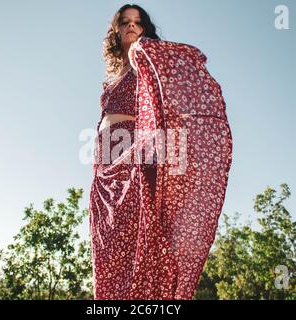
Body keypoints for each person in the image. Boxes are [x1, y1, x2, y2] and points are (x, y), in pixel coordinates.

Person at [88, 4, 233, 300]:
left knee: (139, 237)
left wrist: (145, 54)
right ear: (115, 30)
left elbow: (168, 95)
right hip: (104, 173)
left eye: (137, 22)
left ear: (145, 29)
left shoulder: (147, 63)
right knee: (108, 245)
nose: (131, 26)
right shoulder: (113, 78)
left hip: (132, 158)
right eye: (125, 22)